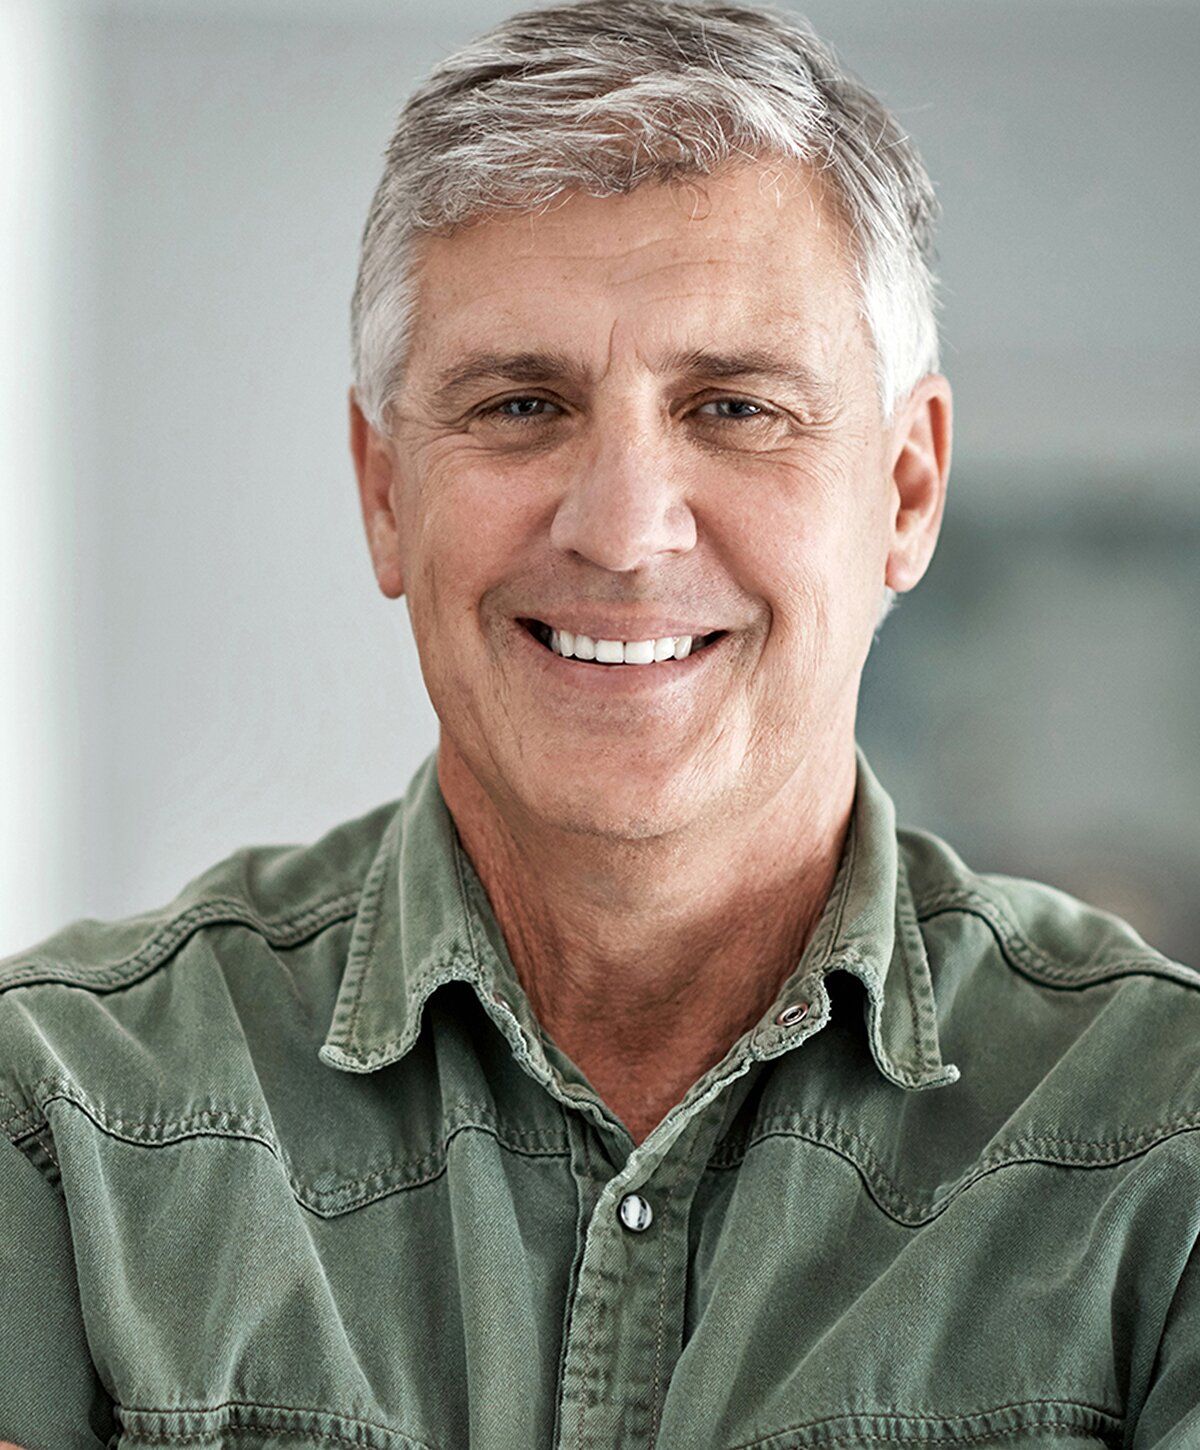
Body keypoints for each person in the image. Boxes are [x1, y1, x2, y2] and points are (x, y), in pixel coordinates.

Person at [3, 1, 1198, 1445]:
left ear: (907, 488)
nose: (625, 531)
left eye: (735, 406)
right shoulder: (61, 1123)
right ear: (384, 491)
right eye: (520, 404)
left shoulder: (1165, 1146)